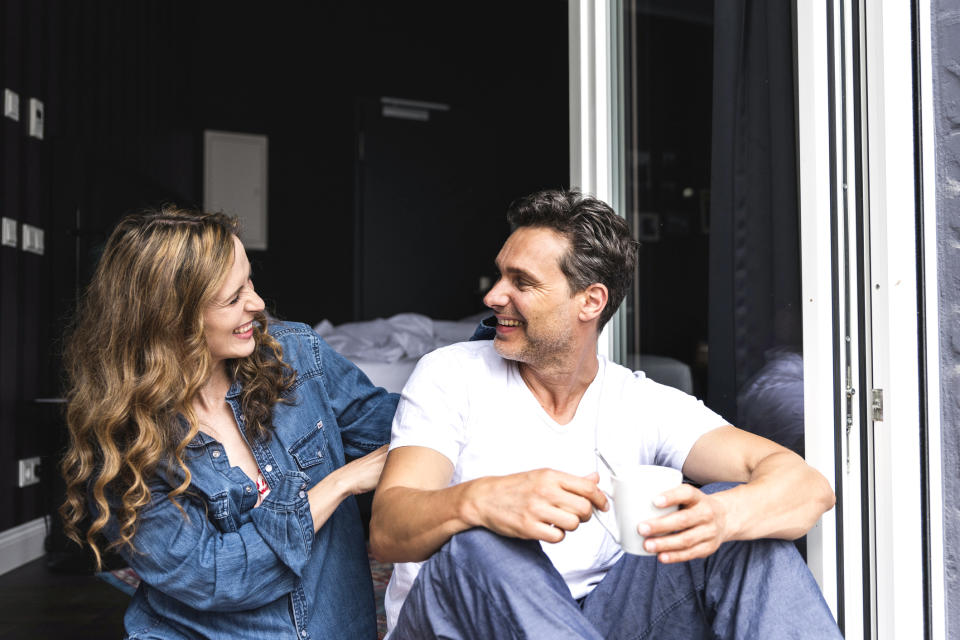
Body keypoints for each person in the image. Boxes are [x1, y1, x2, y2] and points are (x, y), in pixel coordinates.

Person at [369, 189, 842, 639]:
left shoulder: (641, 402)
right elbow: (388, 529)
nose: (494, 297)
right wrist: (481, 500)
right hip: (459, 623)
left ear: (590, 302)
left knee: (740, 522)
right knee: (479, 542)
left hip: (597, 620)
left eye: (522, 282)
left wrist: (721, 517)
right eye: (500, 276)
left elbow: (809, 489)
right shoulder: (450, 375)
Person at [60, 208, 397, 639]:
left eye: (250, 282)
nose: (257, 304)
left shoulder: (295, 356)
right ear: (172, 320)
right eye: (233, 297)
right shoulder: (124, 443)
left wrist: (499, 341)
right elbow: (218, 576)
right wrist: (338, 484)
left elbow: (407, 424)